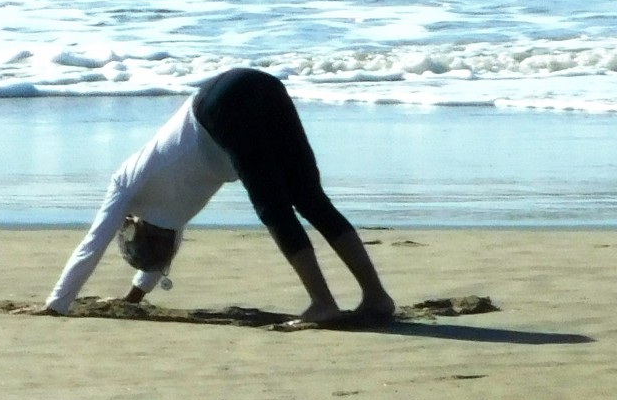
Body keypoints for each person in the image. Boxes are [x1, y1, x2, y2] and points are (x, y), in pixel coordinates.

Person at [43, 67, 394, 323]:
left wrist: (56, 303)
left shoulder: (126, 185)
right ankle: (376, 298)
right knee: (310, 199)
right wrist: (133, 297)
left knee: (274, 208)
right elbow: (164, 250)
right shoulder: (171, 219)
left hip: (221, 107)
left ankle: (323, 304)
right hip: (260, 84)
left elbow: (94, 243)